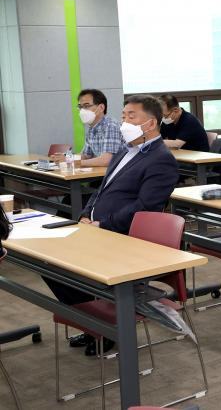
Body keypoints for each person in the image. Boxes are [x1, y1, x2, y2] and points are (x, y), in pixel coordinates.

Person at [44, 95, 180, 355]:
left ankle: (103, 328)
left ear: (151, 124)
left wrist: (102, 224)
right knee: (50, 264)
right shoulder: (124, 151)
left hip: (124, 238)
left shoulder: (161, 159)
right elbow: (101, 191)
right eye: (123, 116)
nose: (124, 122)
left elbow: (145, 207)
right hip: (97, 230)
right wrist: (86, 215)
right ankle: (95, 325)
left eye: (131, 116)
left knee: (65, 268)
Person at [52, 89, 124, 167]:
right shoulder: (92, 128)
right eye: (80, 107)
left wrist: (73, 162)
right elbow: (86, 155)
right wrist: (66, 158)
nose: (82, 110)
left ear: (101, 108)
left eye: (86, 106)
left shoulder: (111, 126)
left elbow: (106, 160)